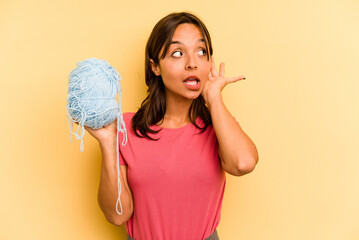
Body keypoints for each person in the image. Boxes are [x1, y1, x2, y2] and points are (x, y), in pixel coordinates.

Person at [85, 11, 259, 240]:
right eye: (177, 53)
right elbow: (117, 216)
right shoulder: (125, 128)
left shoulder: (218, 125)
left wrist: (214, 97)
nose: (192, 63)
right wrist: (108, 143)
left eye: (201, 52)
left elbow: (243, 164)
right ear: (155, 66)